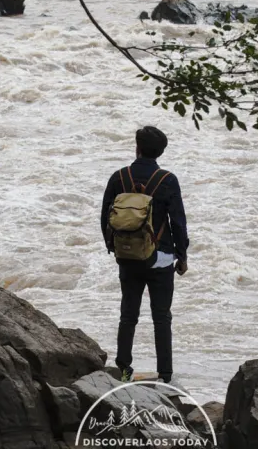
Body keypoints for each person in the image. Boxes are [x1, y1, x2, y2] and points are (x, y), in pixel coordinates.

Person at [100, 126, 189, 384]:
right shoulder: (168, 180)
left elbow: (105, 216)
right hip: (160, 258)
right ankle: (165, 374)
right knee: (161, 316)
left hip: (128, 257)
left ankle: (124, 370)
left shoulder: (119, 177)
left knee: (128, 314)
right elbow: (178, 222)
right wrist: (182, 256)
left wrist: (114, 247)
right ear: (160, 152)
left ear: (136, 147)